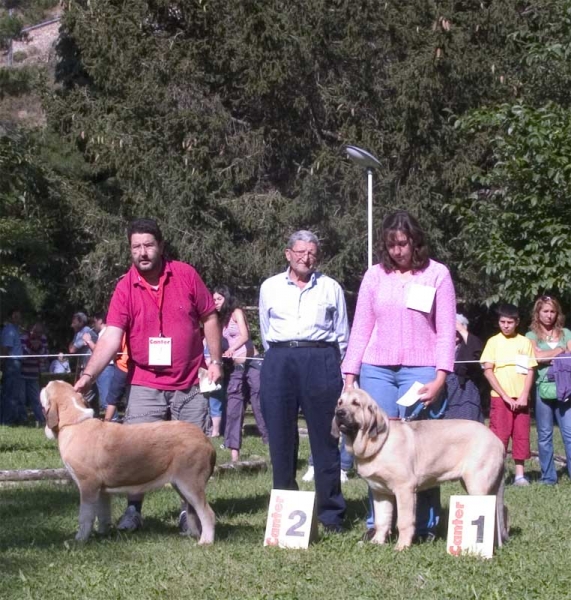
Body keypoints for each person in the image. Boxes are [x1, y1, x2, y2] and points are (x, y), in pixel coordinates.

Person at [74, 218, 222, 532]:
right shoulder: (125, 287)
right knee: (132, 454)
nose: (142, 252)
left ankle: (190, 513)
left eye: (148, 245)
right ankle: (133, 511)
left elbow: (209, 316)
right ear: (130, 250)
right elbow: (111, 337)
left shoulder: (185, 275)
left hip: (188, 380)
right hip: (144, 382)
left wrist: (215, 360)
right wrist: (88, 375)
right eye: (136, 247)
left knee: (192, 452)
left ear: (161, 246)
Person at [342, 210, 456, 542]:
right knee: (375, 447)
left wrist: (440, 377)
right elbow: (361, 328)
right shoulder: (374, 276)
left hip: (422, 370)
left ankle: (424, 527)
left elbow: (447, 331)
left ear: (415, 241)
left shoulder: (437, 275)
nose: (397, 251)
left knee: (424, 452)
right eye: (391, 245)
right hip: (377, 369)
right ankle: (377, 527)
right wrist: (350, 374)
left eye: (403, 244)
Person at [259, 230, 350, 533]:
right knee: (281, 439)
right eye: (299, 252)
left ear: (317, 256)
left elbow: (342, 335)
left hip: (321, 359)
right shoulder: (269, 287)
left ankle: (331, 514)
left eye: (311, 252)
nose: (305, 258)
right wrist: (280, 360)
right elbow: (265, 329)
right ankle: (285, 508)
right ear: (288, 254)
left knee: (326, 439)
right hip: (280, 359)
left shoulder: (331, 288)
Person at [481, 303, 537, 486]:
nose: (505, 325)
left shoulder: (524, 342)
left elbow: (530, 370)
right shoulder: (493, 342)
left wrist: (523, 395)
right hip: (500, 399)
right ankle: (497, 475)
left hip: (521, 398)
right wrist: (504, 396)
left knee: (521, 435)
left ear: (517, 322)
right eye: (502, 322)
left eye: (509, 322)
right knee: (499, 436)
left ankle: (520, 475)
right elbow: (488, 371)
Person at [213, 285, 268, 462]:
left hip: (253, 365)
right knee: (233, 407)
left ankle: (273, 447)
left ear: (226, 298)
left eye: (218, 299)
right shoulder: (220, 320)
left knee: (259, 406)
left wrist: (232, 349)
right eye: (213, 300)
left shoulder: (237, 312)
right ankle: (234, 455)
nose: (215, 303)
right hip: (237, 369)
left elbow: (244, 336)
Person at [526, 296, 571, 484]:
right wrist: (560, 351)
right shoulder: (531, 336)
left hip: (566, 389)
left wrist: (550, 355)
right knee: (544, 435)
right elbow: (536, 357)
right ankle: (548, 477)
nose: (549, 315)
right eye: (545, 311)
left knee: (569, 433)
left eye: (552, 311)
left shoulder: (566, 333)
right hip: (542, 389)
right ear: (538, 313)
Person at [443, 314, 485, 422]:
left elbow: (477, 349)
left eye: (456, 330)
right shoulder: (440, 346)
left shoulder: (467, 345)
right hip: (444, 392)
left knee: (467, 426)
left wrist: (461, 329)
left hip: (465, 392)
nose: (454, 333)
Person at [81, 311, 116, 415]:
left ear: (100, 321)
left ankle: (113, 420)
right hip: (106, 368)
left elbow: (100, 352)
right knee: (104, 398)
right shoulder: (104, 333)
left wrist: (88, 341)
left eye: (94, 322)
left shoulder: (105, 333)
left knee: (106, 400)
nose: (93, 325)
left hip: (107, 368)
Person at [0, 308, 25, 425]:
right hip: (12, 363)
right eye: (15, 316)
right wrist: (2, 364)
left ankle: (10, 419)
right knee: (10, 393)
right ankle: (6, 421)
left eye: (19, 316)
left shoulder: (16, 330)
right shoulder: (9, 330)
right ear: (11, 318)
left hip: (16, 363)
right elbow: (5, 349)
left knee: (14, 393)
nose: (18, 319)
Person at [20, 323, 48, 426]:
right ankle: (23, 420)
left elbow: (44, 356)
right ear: (30, 331)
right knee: (21, 399)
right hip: (22, 373)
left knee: (36, 399)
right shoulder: (23, 338)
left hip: (34, 373)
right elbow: (22, 355)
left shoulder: (43, 339)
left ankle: (40, 420)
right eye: (35, 332)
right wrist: (32, 347)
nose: (38, 335)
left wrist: (39, 347)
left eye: (40, 332)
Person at [68, 312, 98, 404]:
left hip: (89, 367)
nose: (72, 324)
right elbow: (71, 347)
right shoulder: (78, 333)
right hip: (84, 367)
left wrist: (73, 345)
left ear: (81, 322)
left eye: (74, 321)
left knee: (84, 394)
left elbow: (72, 349)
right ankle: (94, 414)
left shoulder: (86, 332)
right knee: (90, 393)